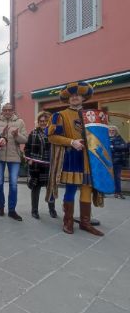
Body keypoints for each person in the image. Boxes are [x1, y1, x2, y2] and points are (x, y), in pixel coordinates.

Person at [46, 82, 104, 236]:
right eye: (71, 96)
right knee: (71, 189)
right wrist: (71, 142)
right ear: (67, 99)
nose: (74, 97)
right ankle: (68, 221)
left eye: (77, 95)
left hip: (89, 159)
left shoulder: (92, 117)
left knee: (87, 188)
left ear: (83, 97)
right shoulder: (59, 116)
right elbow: (51, 136)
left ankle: (85, 222)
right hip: (71, 157)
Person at [0, 103, 27, 221]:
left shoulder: (20, 122)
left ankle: (12, 210)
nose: (7, 112)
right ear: (2, 111)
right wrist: (0, 137)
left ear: (13, 111)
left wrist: (17, 135)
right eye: (5, 110)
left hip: (14, 157)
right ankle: (1, 207)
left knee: (13, 184)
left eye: (10, 110)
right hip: (0, 157)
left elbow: (25, 139)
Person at [24, 111, 57, 219]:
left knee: (50, 189)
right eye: (41, 121)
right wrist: (28, 159)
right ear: (38, 122)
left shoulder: (54, 133)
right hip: (36, 166)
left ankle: (52, 210)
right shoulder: (33, 133)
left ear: (49, 121)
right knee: (35, 188)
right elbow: (27, 148)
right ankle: (34, 211)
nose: (43, 123)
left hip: (50, 166)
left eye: (45, 121)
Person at [109, 125, 129, 199]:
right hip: (107, 161)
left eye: (113, 131)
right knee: (106, 177)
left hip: (117, 161)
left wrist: (113, 147)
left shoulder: (119, 138)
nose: (111, 132)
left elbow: (125, 147)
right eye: (110, 131)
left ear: (116, 131)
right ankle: (103, 192)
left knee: (117, 177)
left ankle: (118, 192)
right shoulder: (105, 138)